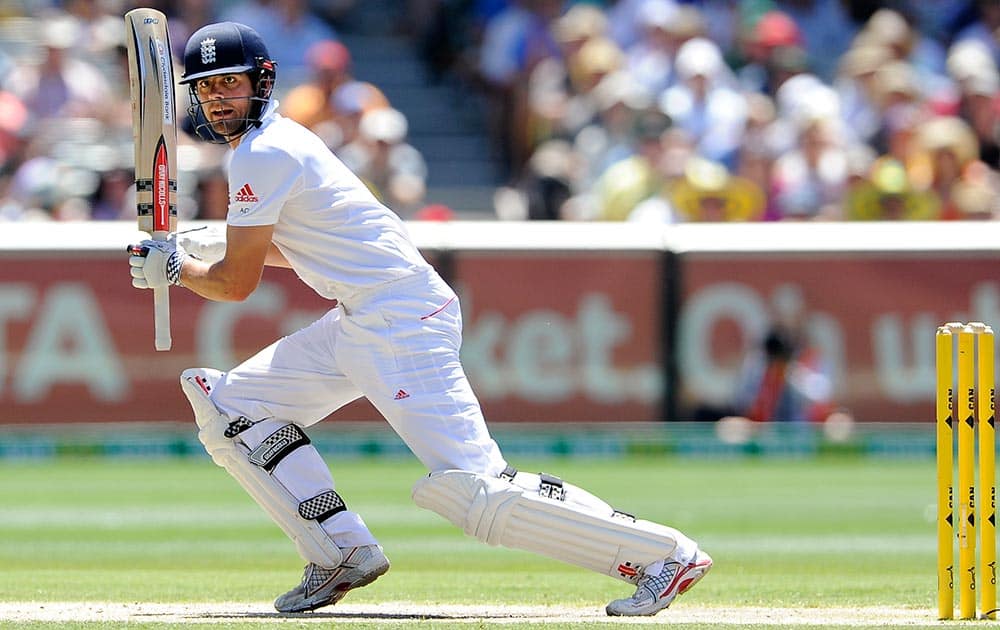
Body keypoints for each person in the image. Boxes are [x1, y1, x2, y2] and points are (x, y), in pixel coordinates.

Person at [126, 21, 711, 617]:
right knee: (233, 407)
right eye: (206, 87)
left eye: (231, 82)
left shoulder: (265, 152)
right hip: (366, 315)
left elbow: (235, 283)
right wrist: (190, 255)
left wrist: (179, 269)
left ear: (263, 81)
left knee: (473, 491)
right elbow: (294, 247)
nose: (218, 97)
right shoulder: (276, 144)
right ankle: (341, 552)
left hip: (398, 320)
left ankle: (662, 556)